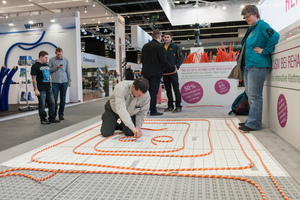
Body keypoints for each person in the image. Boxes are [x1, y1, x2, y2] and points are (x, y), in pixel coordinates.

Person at [239, 5, 279, 131]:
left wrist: (264, 51)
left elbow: (275, 36)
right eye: (244, 17)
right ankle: (251, 120)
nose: (246, 19)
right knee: (250, 95)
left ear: (255, 14)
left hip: (258, 65)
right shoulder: (251, 28)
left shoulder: (262, 25)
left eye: (248, 16)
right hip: (249, 65)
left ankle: (254, 123)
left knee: (254, 96)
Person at [141, 30, 175, 116]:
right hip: (155, 73)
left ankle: (145, 110)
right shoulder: (159, 47)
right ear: (159, 37)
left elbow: (142, 60)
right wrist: (172, 68)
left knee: (145, 92)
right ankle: (153, 110)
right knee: (153, 92)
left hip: (145, 73)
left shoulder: (145, 46)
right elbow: (164, 61)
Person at [31, 51, 60, 125]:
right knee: (42, 104)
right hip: (41, 89)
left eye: (47, 57)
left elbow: (49, 75)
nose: (47, 59)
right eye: (45, 57)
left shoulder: (47, 65)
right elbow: (34, 79)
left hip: (48, 88)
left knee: (52, 103)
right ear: (41, 57)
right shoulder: (35, 66)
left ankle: (52, 118)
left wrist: (50, 84)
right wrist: (36, 89)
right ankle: (43, 119)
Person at [162, 32, 184, 113]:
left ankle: (178, 106)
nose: (166, 39)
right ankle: (170, 106)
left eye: (168, 37)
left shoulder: (175, 47)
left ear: (171, 38)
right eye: (165, 37)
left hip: (173, 72)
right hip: (164, 73)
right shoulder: (161, 47)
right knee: (168, 90)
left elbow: (181, 58)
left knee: (176, 90)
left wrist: (176, 66)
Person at [49, 47, 71, 120]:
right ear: (55, 53)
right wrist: (56, 67)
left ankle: (61, 114)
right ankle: (53, 115)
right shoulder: (52, 60)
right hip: (55, 82)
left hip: (64, 82)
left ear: (62, 53)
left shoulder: (66, 60)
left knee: (63, 99)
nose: (59, 56)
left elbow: (68, 71)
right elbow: (49, 70)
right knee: (54, 99)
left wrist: (69, 81)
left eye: (61, 54)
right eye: (58, 55)